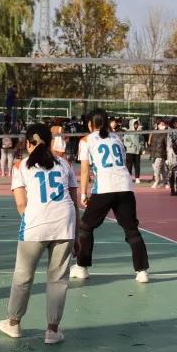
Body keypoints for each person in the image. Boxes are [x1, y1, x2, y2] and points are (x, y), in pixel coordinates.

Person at [0, 123, 78, 343]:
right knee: (58, 279)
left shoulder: (20, 166)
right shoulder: (65, 164)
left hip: (35, 224)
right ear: (50, 143)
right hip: (65, 224)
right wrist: (77, 232)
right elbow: (74, 201)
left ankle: (14, 324)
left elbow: (21, 204)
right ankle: (52, 330)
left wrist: (33, 221)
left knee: (23, 275)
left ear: (27, 143)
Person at [72, 108, 150, 283]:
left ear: (90, 124)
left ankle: (81, 267)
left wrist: (83, 193)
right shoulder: (116, 138)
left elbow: (84, 170)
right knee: (131, 229)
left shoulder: (86, 140)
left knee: (86, 227)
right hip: (125, 186)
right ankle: (142, 271)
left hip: (105, 188)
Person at [147, 119, 168, 188]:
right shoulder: (154, 133)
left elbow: (167, 144)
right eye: (161, 124)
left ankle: (157, 181)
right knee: (162, 169)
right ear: (157, 125)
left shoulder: (166, 133)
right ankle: (165, 182)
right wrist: (150, 152)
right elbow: (151, 143)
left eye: (164, 124)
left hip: (161, 153)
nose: (163, 126)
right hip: (154, 153)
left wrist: (167, 155)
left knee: (157, 167)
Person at [122, 118, 144, 184]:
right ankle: (129, 177)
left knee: (137, 165)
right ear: (131, 124)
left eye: (137, 124)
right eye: (135, 124)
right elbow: (125, 141)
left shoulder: (139, 132)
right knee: (129, 165)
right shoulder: (128, 132)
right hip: (130, 151)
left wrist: (141, 147)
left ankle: (137, 178)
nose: (136, 125)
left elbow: (142, 140)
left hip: (137, 151)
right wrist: (131, 145)